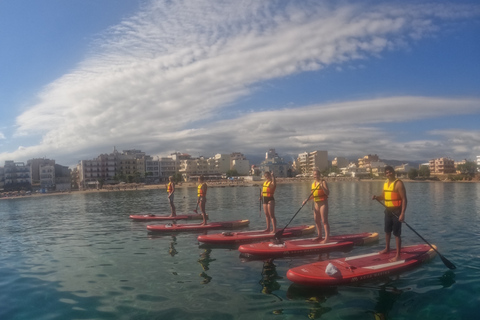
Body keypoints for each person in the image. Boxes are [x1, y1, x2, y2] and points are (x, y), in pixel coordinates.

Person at [372, 166, 407, 262]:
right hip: (388, 211)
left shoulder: (398, 183)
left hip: (397, 211)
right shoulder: (385, 183)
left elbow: (404, 199)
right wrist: (376, 197)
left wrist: (402, 213)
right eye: (387, 173)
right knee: (387, 231)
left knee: (396, 233)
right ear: (385, 174)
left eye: (390, 172)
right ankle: (387, 248)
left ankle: (398, 255)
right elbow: (383, 196)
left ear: (393, 172)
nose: (389, 174)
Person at [302, 169, 330, 243]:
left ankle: (327, 238)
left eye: (317, 174)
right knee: (316, 220)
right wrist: (306, 200)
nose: (315, 176)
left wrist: (322, 187)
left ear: (319, 175)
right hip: (316, 204)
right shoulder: (313, 184)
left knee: (324, 221)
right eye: (314, 175)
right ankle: (319, 236)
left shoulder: (323, 182)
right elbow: (313, 195)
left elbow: (327, 193)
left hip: (323, 203)